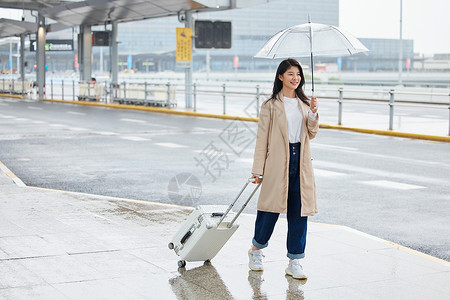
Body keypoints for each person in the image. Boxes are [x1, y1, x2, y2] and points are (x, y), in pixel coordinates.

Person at [248, 58, 319, 280]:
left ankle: (295, 261)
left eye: (297, 74)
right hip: (277, 161)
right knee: (269, 210)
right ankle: (256, 250)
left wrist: (314, 114)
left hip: (301, 162)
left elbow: (312, 133)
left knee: (300, 212)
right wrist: (258, 169)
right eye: (290, 74)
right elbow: (262, 139)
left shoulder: (305, 104)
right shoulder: (270, 105)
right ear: (280, 77)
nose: (295, 78)